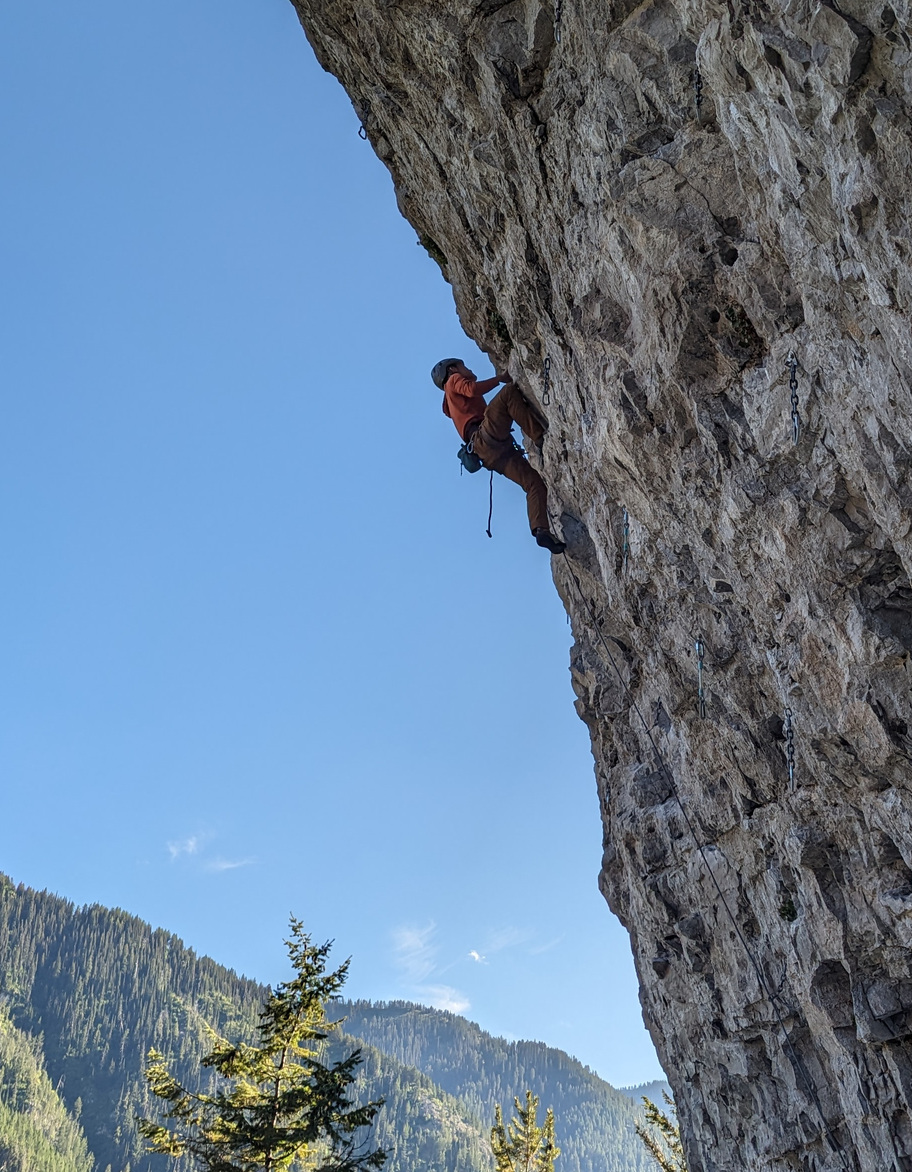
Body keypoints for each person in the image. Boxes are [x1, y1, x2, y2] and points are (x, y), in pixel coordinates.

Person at [431, 358, 566, 553]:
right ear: (452, 369)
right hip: (485, 436)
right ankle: (539, 436)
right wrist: (500, 378)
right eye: (462, 365)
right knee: (508, 393)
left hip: (488, 454)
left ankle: (541, 530)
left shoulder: (451, 403)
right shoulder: (453, 380)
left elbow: (464, 399)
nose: (467, 367)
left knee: (533, 482)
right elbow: (470, 389)